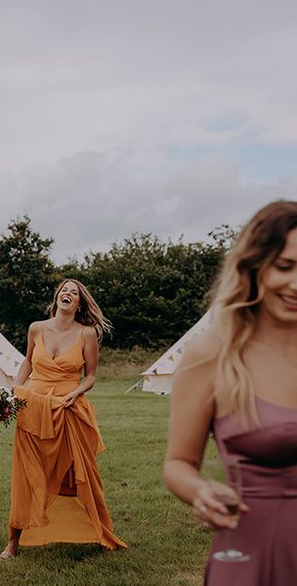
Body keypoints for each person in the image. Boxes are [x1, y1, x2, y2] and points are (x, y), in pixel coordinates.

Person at [164, 200, 297, 585]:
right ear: (253, 266)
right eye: (285, 266)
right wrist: (201, 492)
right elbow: (178, 464)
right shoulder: (211, 354)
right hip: (252, 553)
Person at [0, 278, 127, 558]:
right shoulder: (36, 328)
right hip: (32, 407)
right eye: (64, 291)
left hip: (69, 408)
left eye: (74, 293)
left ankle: (99, 532)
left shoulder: (87, 334)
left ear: (79, 303)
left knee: (81, 474)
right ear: (57, 297)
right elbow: (28, 362)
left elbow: (91, 375)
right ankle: (13, 541)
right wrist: (15, 390)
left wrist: (76, 393)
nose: (67, 294)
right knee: (27, 474)